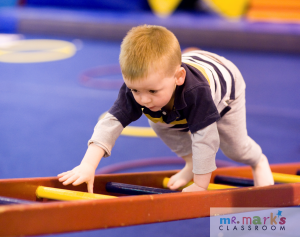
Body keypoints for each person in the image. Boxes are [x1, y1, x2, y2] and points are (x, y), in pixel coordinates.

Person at [58, 25, 274, 193]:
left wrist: (201, 183)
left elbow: (206, 138)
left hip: (226, 89)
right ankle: (190, 162)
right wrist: (87, 165)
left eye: (152, 91)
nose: (143, 99)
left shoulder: (195, 91)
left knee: (234, 148)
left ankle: (258, 160)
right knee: (159, 121)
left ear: (179, 78)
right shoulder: (139, 86)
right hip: (182, 74)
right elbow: (110, 123)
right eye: (135, 90)